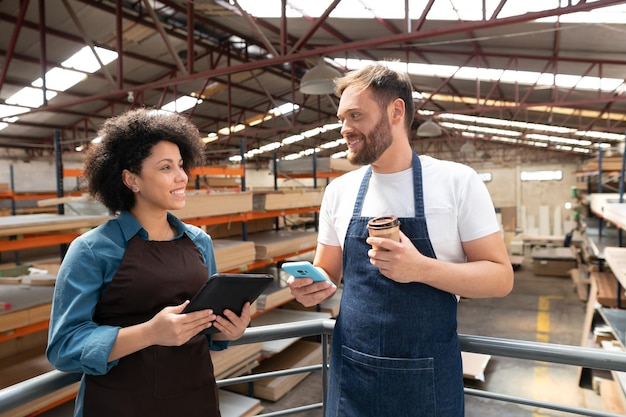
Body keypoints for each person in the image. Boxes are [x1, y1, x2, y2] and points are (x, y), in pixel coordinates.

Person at [287, 64, 514, 417]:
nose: (345, 128)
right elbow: (327, 273)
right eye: (342, 118)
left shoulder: (456, 182)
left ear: (396, 111)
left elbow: (500, 278)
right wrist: (309, 286)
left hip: (427, 383)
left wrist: (420, 268)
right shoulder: (339, 191)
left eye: (356, 115)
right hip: (352, 378)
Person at [46, 108, 251, 417]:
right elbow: (64, 346)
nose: (182, 176)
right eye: (166, 167)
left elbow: (207, 328)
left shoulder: (199, 242)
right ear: (132, 179)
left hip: (195, 399)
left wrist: (228, 330)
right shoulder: (91, 250)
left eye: (181, 165)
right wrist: (150, 333)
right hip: (120, 405)